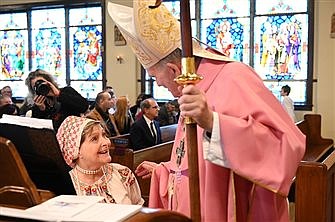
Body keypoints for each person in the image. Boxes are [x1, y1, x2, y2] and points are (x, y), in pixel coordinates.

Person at [109, 1, 305, 221]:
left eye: (156, 77)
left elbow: (286, 147)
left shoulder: (233, 77)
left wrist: (213, 123)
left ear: (174, 70)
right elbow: (195, 164)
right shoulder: (190, 91)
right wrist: (165, 172)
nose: (160, 85)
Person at [56, 115, 144, 205]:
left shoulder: (122, 174)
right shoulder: (67, 185)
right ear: (76, 150)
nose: (107, 142)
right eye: (94, 139)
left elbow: (138, 208)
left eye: (104, 135)